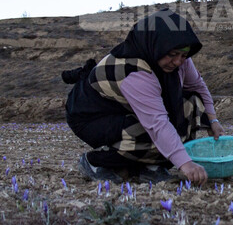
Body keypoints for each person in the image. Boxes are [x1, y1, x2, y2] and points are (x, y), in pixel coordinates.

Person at [62, 9, 221, 185]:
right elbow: (156, 124)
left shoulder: (180, 60)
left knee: (191, 106)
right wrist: (186, 164)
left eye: (183, 55)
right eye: (173, 54)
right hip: (92, 117)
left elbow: (198, 86)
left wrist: (212, 120)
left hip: (128, 111)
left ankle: (150, 167)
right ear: (156, 45)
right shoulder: (135, 72)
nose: (178, 62)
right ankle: (96, 161)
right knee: (147, 133)